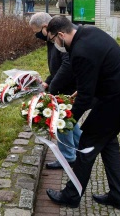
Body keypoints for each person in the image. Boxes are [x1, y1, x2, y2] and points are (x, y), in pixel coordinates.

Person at [45, 16, 120, 210]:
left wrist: (66, 122)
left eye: (54, 39)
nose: (55, 44)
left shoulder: (79, 52)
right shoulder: (90, 32)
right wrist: (84, 91)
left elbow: (85, 100)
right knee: (109, 145)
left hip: (114, 103)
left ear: (61, 35)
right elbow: (99, 72)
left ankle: (71, 195)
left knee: (86, 147)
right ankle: (117, 196)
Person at [29, 13, 82, 170]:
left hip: (67, 88)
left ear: (46, 27)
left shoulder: (59, 37)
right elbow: (56, 66)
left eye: (37, 32)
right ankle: (80, 147)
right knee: (70, 120)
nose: (37, 35)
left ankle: (68, 157)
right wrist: (47, 81)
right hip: (62, 85)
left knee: (62, 122)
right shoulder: (51, 38)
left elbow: (67, 65)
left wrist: (53, 87)